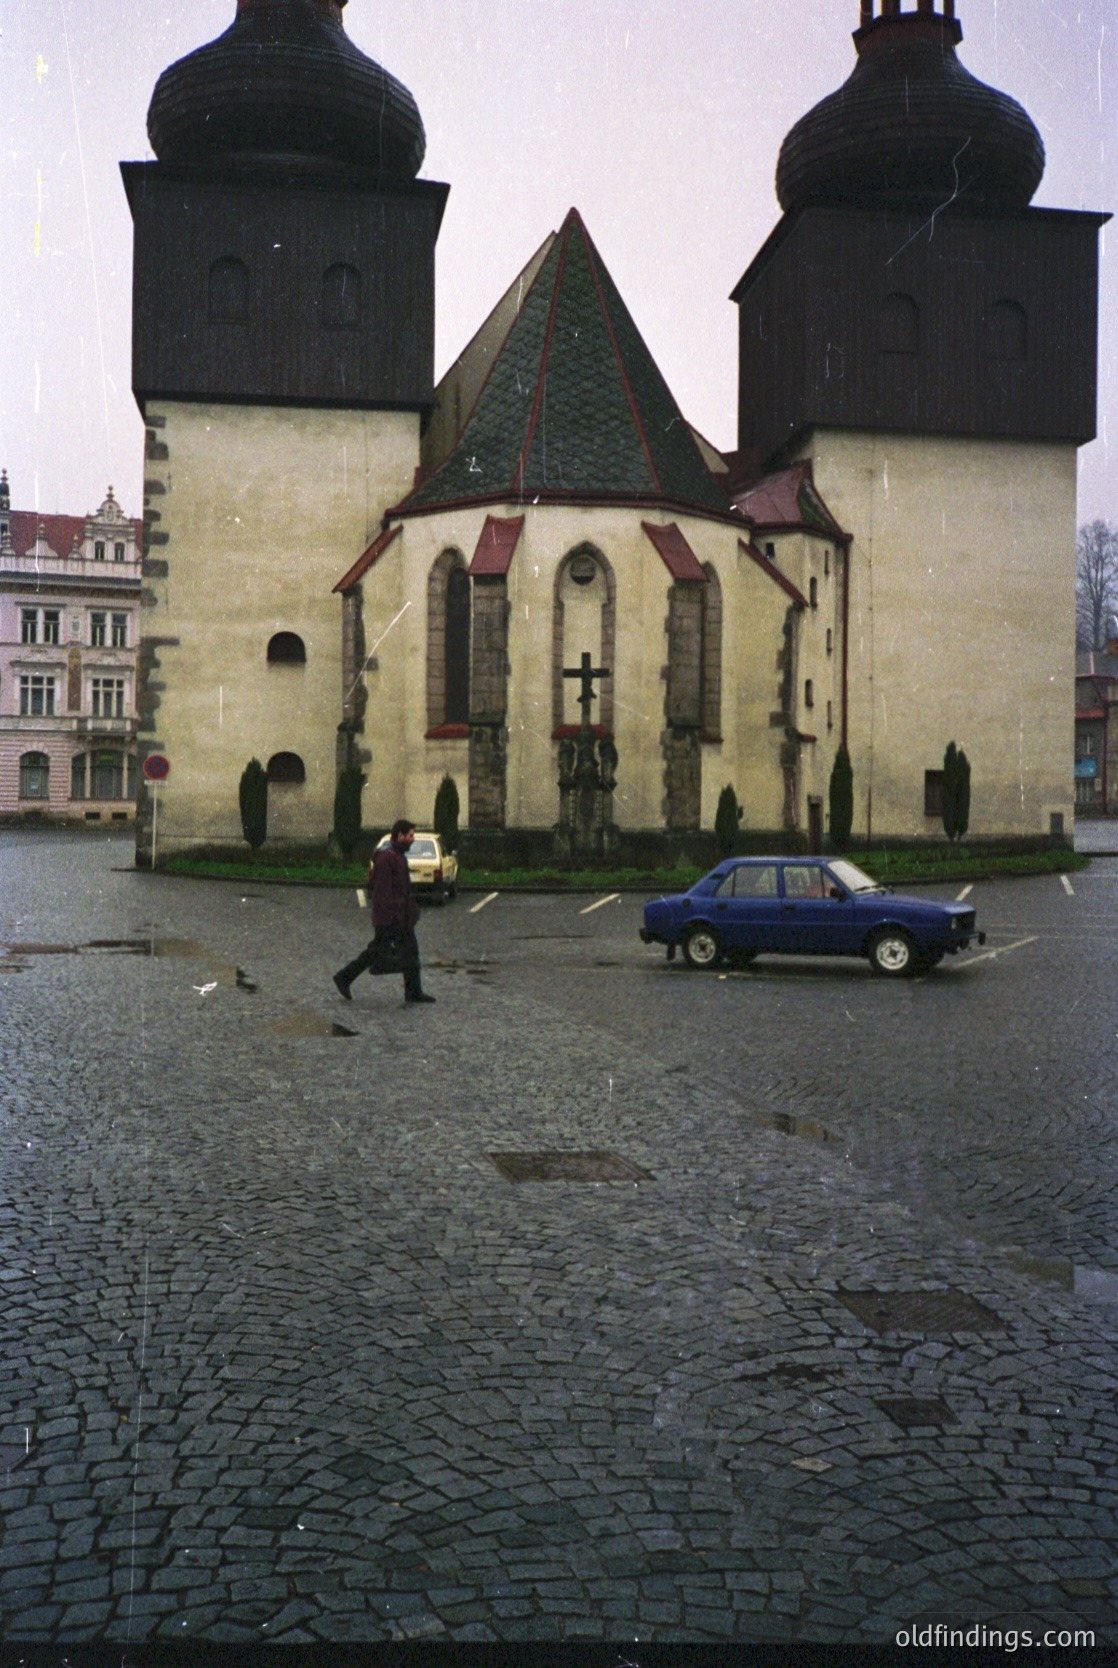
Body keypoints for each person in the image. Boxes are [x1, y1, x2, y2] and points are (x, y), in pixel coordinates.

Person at [333, 819, 435, 1004]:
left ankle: (413, 992)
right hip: (390, 919)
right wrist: (390, 918)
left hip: (401, 918)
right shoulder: (386, 858)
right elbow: (383, 893)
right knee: (376, 953)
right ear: (400, 835)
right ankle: (344, 977)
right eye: (411, 835)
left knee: (410, 952)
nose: (413, 839)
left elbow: (402, 890)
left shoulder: (398, 856)